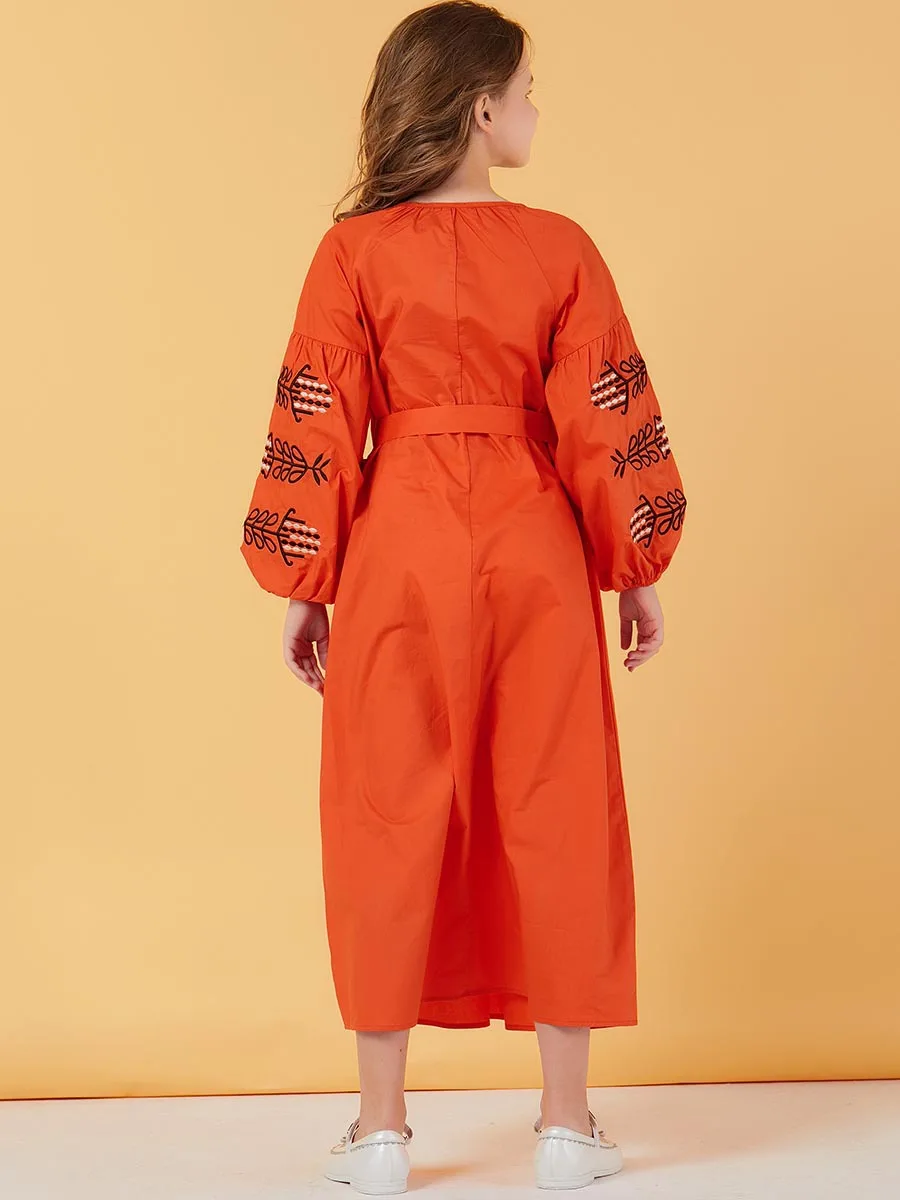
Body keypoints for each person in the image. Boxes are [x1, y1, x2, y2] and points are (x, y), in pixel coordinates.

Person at [240, 1, 687, 1192]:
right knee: (557, 799)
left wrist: (306, 585)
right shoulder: (562, 248)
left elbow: (317, 413)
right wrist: (633, 567)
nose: (537, 108)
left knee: (385, 808)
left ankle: (382, 1132)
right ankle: (566, 1126)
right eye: (527, 89)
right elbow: (604, 412)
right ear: (482, 107)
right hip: (537, 542)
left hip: (397, 543)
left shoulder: (351, 253)